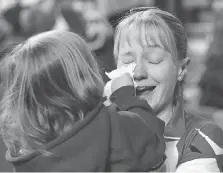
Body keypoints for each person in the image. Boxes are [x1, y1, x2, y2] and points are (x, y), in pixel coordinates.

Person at [0, 30, 165, 172]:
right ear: (83, 77)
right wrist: (126, 96)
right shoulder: (115, 125)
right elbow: (154, 145)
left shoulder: (23, 151)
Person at [112, 7, 223, 172]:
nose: (138, 73)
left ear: (182, 69)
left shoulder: (202, 135)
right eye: (127, 61)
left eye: (153, 60)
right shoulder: (99, 126)